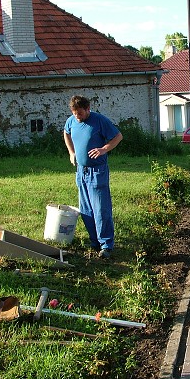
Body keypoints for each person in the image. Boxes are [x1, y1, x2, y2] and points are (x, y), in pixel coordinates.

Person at [63, 95, 123, 258]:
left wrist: (104, 149)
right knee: (86, 209)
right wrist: (71, 152)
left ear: (88, 109)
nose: (77, 116)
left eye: (80, 113)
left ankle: (106, 245)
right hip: (81, 171)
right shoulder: (71, 121)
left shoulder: (99, 121)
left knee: (100, 208)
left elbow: (117, 137)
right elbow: (66, 133)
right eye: (75, 113)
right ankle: (94, 242)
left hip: (97, 171)